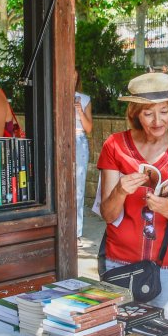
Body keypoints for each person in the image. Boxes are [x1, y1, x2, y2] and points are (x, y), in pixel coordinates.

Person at [97, 73, 168, 323]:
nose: (157, 121)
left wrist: (167, 209)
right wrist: (121, 190)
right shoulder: (115, 146)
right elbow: (108, 215)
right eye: (148, 113)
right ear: (135, 113)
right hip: (120, 266)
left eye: (164, 111)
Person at [73, 70, 93, 245]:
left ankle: (76, 232)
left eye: (74, 74)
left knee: (78, 188)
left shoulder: (84, 99)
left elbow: (88, 128)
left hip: (78, 140)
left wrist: (79, 111)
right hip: (60, 139)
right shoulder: (54, 94)